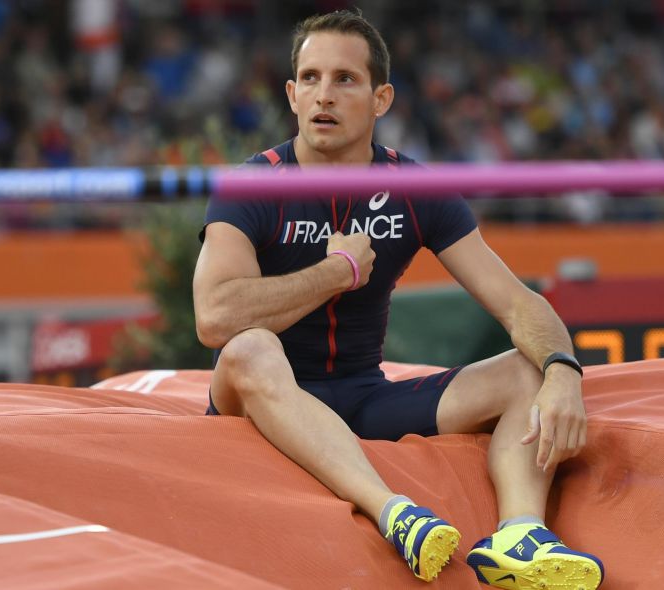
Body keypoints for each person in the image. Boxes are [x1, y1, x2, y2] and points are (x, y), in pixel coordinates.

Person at [192, 10, 604, 590]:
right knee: (251, 348)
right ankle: (393, 512)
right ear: (290, 94)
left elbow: (517, 304)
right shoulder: (252, 185)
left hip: (363, 397)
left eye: (344, 79)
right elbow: (214, 319)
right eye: (309, 79)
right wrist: (334, 273)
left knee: (524, 370)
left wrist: (564, 372)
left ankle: (519, 535)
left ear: (381, 98)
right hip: (257, 397)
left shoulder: (414, 190)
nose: (323, 95)